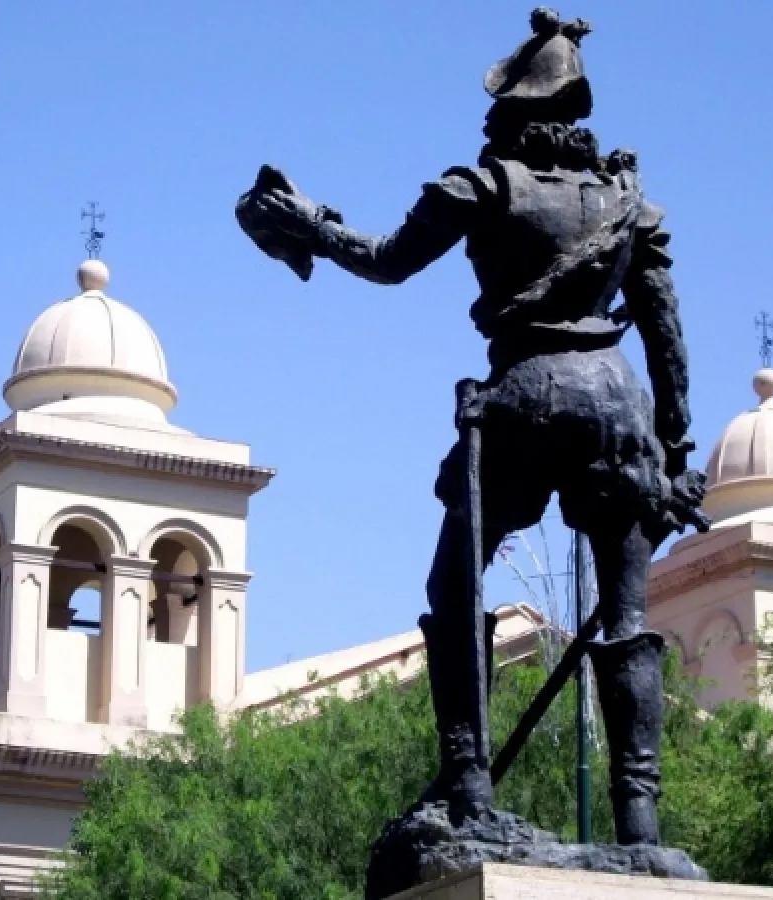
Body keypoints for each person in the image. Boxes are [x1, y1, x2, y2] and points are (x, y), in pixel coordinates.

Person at [236, 7, 708, 846]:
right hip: (618, 408)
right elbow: (665, 335)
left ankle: (467, 780)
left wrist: (311, 225)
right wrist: (674, 454)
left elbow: (387, 260)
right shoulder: (630, 204)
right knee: (626, 618)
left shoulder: (484, 187)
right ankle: (640, 826)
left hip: (524, 396)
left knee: (454, 586)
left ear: (513, 113)